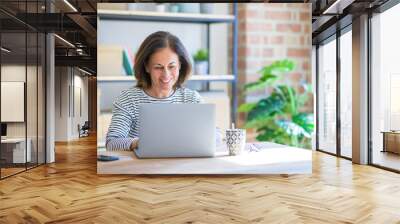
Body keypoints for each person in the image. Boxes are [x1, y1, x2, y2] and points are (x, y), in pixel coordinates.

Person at [106, 31, 219, 151]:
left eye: (172, 66)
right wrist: (141, 142)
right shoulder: (129, 99)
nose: (166, 75)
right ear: (146, 67)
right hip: (142, 167)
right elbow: (112, 143)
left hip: (182, 166)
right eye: (158, 67)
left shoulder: (191, 98)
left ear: (180, 65)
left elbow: (216, 135)